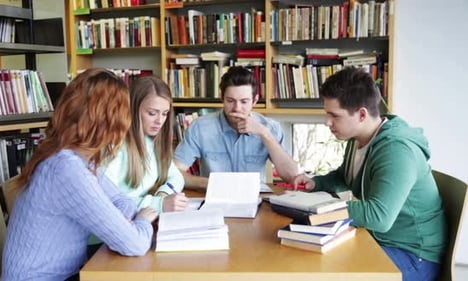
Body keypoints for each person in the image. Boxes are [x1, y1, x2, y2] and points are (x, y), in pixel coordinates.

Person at [1, 68, 158, 281]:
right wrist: (142, 221)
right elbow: (136, 245)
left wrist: (122, 222)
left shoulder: (71, 155)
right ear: (113, 121)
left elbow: (122, 199)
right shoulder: (66, 168)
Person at [293, 67, 447, 281]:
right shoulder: (358, 138)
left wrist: (321, 210)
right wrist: (315, 183)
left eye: (334, 115)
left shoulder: (396, 150)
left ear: (362, 114)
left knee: (326, 272)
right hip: (380, 240)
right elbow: (344, 177)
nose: (327, 122)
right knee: (309, 260)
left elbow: (379, 216)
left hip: (413, 255)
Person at [174, 66, 299, 189]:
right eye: (230, 101)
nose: (237, 108)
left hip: (255, 200)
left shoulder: (270, 128)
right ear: (221, 98)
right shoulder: (200, 128)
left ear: (255, 101)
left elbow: (291, 175)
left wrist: (264, 134)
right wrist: (209, 184)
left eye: (244, 101)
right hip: (213, 198)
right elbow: (175, 173)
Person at [103, 75, 188, 212]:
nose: (159, 121)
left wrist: (163, 194)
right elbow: (106, 201)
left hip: (139, 218)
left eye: (165, 114)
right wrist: (158, 204)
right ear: (133, 109)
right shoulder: (114, 146)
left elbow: (176, 177)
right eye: (152, 113)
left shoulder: (151, 141)